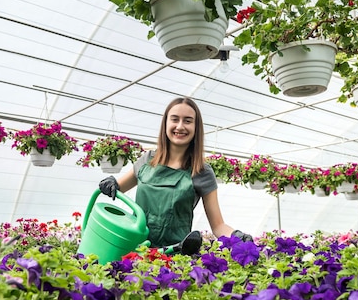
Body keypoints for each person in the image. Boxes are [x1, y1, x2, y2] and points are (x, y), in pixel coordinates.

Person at [99, 97, 252, 249]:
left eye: (187, 121)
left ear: (196, 127)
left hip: (174, 259)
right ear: (166, 123)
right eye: (174, 119)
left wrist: (237, 236)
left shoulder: (202, 172)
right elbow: (117, 188)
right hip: (135, 251)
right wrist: (111, 184)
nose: (180, 126)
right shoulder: (147, 160)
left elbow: (218, 226)